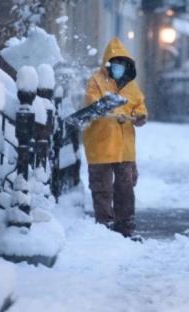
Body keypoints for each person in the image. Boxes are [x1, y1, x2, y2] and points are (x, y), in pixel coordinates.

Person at [82, 37, 147, 239]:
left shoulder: (132, 86)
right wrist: (113, 111)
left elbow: (140, 107)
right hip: (100, 145)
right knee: (102, 189)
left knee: (125, 189)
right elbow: (93, 104)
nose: (119, 67)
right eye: (115, 62)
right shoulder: (96, 81)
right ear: (108, 63)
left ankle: (126, 226)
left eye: (122, 63)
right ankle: (105, 227)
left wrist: (139, 116)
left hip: (124, 148)